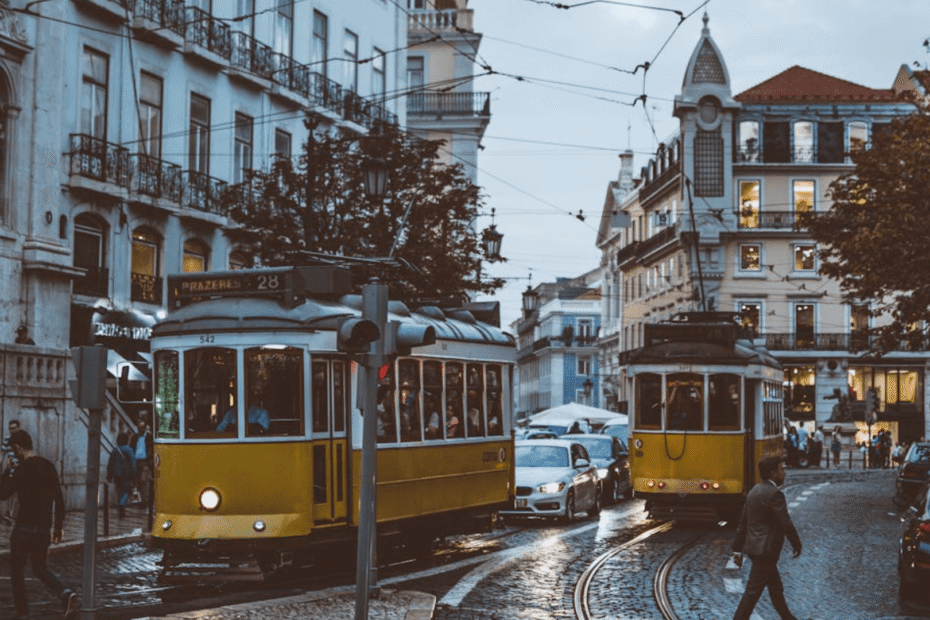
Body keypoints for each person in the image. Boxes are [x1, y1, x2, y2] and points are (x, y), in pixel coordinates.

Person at [0, 430, 80, 620]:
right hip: (43, 528)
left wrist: (6, 471)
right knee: (40, 568)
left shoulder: (20, 469)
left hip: (23, 528)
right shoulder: (49, 466)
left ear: (18, 448)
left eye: (14, 450)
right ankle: (66, 593)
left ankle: (23, 614)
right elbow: (59, 499)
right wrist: (58, 527)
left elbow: (3, 494)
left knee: (17, 571)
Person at [731, 456, 810, 620]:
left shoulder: (755, 490)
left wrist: (737, 549)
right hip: (766, 550)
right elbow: (785, 522)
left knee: (775, 588)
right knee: (752, 592)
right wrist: (796, 543)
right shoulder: (774, 494)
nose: (784, 472)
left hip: (756, 548)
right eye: (782, 469)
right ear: (773, 473)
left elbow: (743, 522)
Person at [107, 432, 136, 518]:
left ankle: (121, 509)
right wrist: (134, 475)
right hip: (127, 475)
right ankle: (121, 505)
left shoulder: (115, 450)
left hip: (116, 475)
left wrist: (109, 475)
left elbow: (110, 464)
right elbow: (133, 464)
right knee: (128, 491)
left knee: (119, 492)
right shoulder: (129, 449)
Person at [130, 413, 153, 508]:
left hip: (145, 462)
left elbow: (151, 448)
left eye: (142, 428)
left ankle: (145, 501)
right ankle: (140, 501)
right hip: (136, 462)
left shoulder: (148, 437)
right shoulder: (134, 437)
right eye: (139, 428)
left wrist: (149, 459)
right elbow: (131, 448)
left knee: (144, 481)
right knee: (137, 482)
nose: (140, 430)